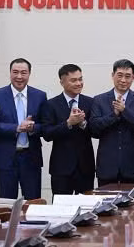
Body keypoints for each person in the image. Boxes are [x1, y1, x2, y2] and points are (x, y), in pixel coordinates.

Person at [0, 58, 47, 199]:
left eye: (23, 73)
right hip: (5, 157)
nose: (19, 77)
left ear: (29, 74)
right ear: (10, 73)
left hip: (31, 157)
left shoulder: (39, 96)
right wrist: (17, 128)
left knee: (33, 203)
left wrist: (32, 128)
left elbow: (45, 125)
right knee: (7, 204)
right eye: (15, 72)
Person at [90, 59, 134, 186]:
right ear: (112, 75)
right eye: (120, 75)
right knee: (105, 203)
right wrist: (114, 115)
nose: (123, 80)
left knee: (133, 204)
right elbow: (94, 128)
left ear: (133, 78)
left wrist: (125, 111)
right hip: (107, 164)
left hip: (132, 163)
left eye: (128, 76)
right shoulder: (99, 100)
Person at [40, 64, 95, 195]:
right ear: (62, 82)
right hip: (61, 167)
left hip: (85, 166)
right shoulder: (50, 104)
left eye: (80, 79)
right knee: (61, 209)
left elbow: (96, 131)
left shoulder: (90, 102)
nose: (79, 83)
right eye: (73, 80)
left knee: (87, 208)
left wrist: (83, 123)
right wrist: (68, 123)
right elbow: (47, 134)